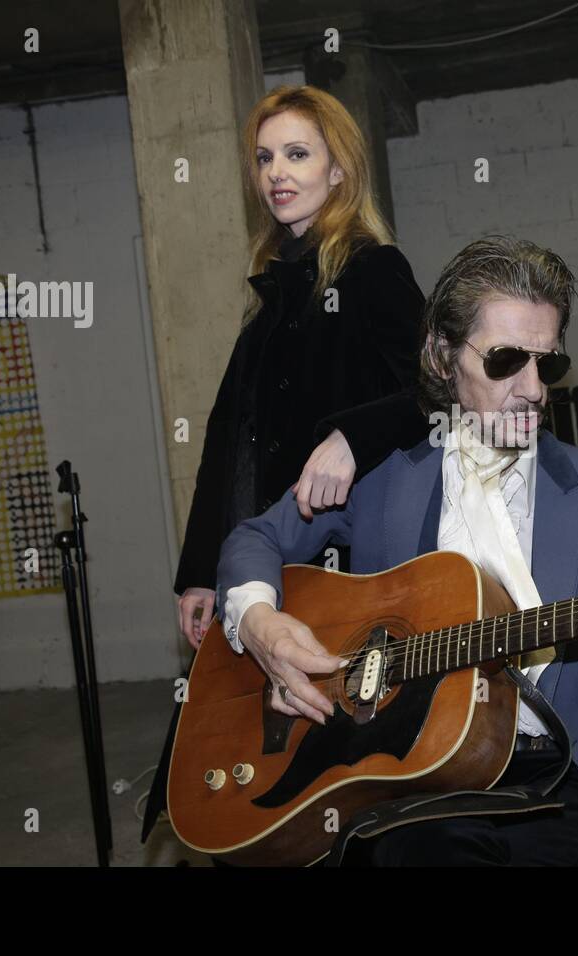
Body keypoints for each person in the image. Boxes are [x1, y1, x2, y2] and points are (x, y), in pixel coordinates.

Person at [217, 235, 578, 865]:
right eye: (505, 361)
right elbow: (255, 537)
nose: (533, 389)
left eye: (546, 364)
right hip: (406, 780)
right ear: (444, 356)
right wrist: (260, 624)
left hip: (559, 778)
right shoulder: (378, 475)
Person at [145, 85, 428, 842]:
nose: (276, 171)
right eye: (266, 157)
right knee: (262, 786)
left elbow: (440, 388)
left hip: (349, 570)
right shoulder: (272, 302)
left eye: (297, 154)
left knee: (335, 776)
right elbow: (227, 441)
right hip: (269, 567)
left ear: (339, 171)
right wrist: (205, 568)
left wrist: (351, 438)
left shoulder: (373, 270)